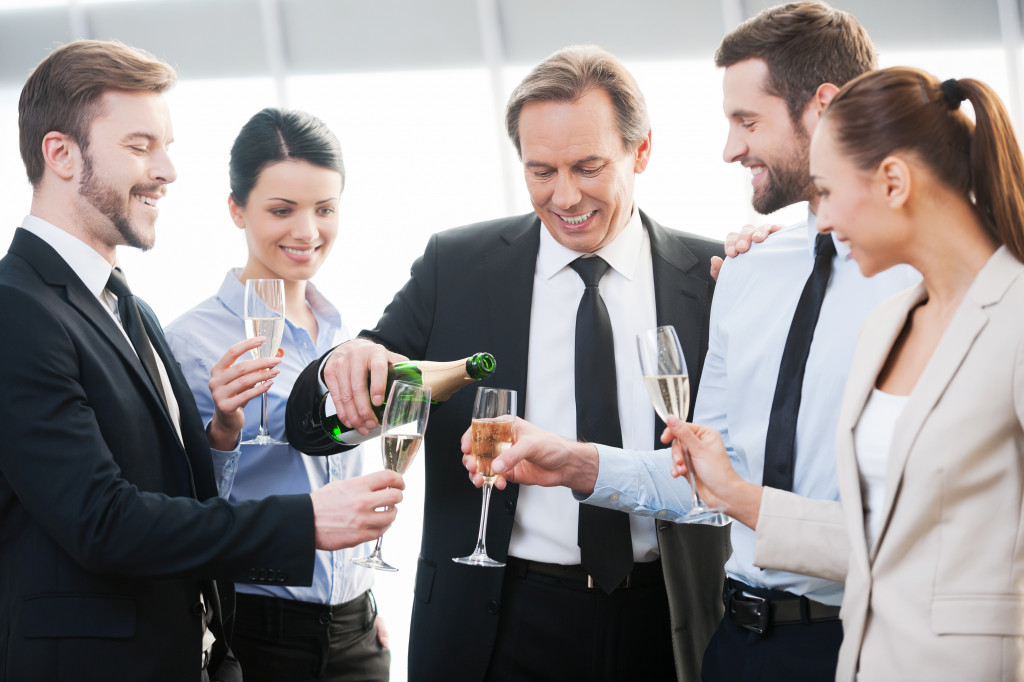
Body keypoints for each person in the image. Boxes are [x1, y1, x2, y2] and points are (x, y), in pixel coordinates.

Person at [466, 4, 920, 681]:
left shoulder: (927, 284)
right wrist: (572, 463)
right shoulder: (748, 270)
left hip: (870, 641)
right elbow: (709, 477)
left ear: (823, 109)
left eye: (746, 121)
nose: (730, 149)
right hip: (736, 644)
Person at [286, 45, 729, 682]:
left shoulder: (715, 277)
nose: (565, 195)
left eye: (588, 166)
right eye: (540, 170)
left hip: (672, 618)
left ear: (643, 151)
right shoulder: (458, 266)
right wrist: (341, 370)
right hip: (500, 620)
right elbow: (318, 428)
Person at [0, 39, 403, 682]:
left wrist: (223, 432)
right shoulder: (16, 308)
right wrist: (305, 522)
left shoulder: (129, 308)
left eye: (166, 147)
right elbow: (102, 521)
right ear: (60, 154)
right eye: (140, 146)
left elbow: (172, 492)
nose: (167, 170)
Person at [671, 66, 1024, 681]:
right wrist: (731, 493)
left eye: (828, 193)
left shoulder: (1013, 318)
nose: (822, 224)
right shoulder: (891, 323)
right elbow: (876, 532)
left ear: (892, 182)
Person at [164, 108, 390, 682]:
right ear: (236, 209)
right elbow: (178, 512)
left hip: (357, 628)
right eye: (282, 210)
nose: (307, 232)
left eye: (325, 209)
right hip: (257, 629)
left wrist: (361, 604)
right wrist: (224, 431)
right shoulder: (190, 343)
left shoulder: (345, 333)